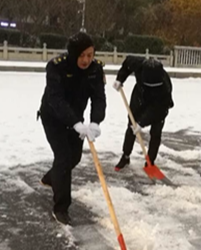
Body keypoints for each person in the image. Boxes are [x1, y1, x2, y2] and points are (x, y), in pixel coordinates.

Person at [39, 32, 106, 226]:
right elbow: (55, 99)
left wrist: (95, 122)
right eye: (82, 55)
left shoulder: (95, 70)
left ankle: (52, 178)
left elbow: (98, 98)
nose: (86, 60)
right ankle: (61, 208)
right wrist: (75, 122)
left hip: (77, 119)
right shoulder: (56, 67)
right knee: (64, 157)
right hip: (53, 117)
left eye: (90, 55)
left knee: (74, 158)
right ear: (74, 54)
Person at [113, 57, 174, 171]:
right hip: (140, 99)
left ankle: (150, 162)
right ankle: (125, 156)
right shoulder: (138, 64)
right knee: (131, 126)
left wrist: (142, 123)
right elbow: (127, 64)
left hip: (158, 106)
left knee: (156, 133)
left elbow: (158, 110)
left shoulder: (165, 87)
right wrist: (120, 79)